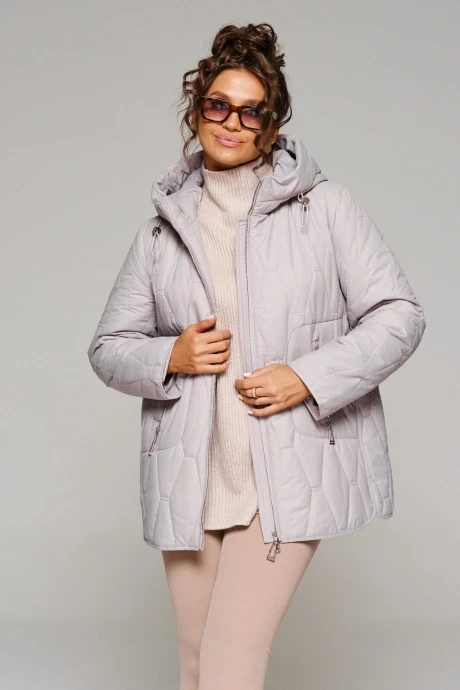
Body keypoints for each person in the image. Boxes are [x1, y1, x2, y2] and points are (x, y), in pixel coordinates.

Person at [87, 22, 426, 690]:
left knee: (229, 661)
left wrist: (306, 376)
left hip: (285, 472)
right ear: (197, 111)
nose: (232, 123)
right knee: (196, 664)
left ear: (271, 124)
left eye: (252, 111)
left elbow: (400, 315)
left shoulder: (325, 209)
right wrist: (172, 354)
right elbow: (107, 349)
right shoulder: (161, 233)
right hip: (191, 478)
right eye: (219, 105)